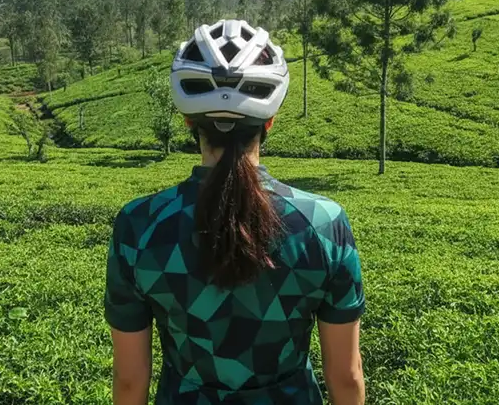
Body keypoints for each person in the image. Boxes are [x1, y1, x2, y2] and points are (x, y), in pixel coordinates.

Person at [105, 20, 366, 405]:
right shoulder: (324, 223)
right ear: (270, 121)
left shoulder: (139, 225)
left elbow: (129, 382)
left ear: (189, 121)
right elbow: (345, 377)